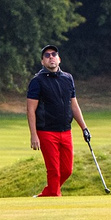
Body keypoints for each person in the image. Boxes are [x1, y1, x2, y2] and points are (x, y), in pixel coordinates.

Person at [24, 48, 86, 198]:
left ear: (59, 59)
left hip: (66, 130)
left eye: (54, 55)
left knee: (67, 170)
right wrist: (34, 135)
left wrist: (84, 128)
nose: (51, 57)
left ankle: (47, 193)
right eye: (47, 55)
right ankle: (54, 197)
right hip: (46, 131)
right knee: (54, 170)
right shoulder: (37, 81)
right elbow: (30, 110)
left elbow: (74, 105)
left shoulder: (68, 78)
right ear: (42, 61)